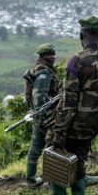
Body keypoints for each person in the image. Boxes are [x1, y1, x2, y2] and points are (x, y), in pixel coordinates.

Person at [43, 15, 98, 195]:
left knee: (57, 154)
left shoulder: (75, 62)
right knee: (79, 159)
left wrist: (59, 129)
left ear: (81, 35)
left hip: (73, 124)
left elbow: (68, 101)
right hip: (94, 123)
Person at [23, 43, 59, 187]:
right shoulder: (44, 73)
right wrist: (49, 117)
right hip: (45, 116)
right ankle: (50, 181)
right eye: (51, 56)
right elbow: (39, 97)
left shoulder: (38, 71)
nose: (53, 58)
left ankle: (31, 180)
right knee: (51, 146)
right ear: (45, 57)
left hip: (39, 115)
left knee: (36, 147)